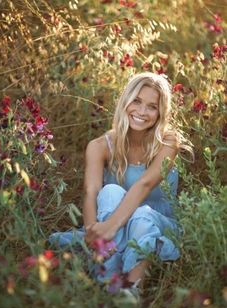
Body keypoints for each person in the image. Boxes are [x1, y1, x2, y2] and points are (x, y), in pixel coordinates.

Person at [49, 72, 193, 290]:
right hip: (114, 225)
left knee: (142, 215)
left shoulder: (168, 141)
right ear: (125, 100)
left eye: (152, 106)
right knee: (109, 192)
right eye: (137, 101)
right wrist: (93, 232)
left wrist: (110, 226)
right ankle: (108, 269)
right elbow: (91, 191)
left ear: (161, 112)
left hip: (156, 223)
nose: (142, 112)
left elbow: (144, 184)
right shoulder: (99, 146)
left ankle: (130, 288)